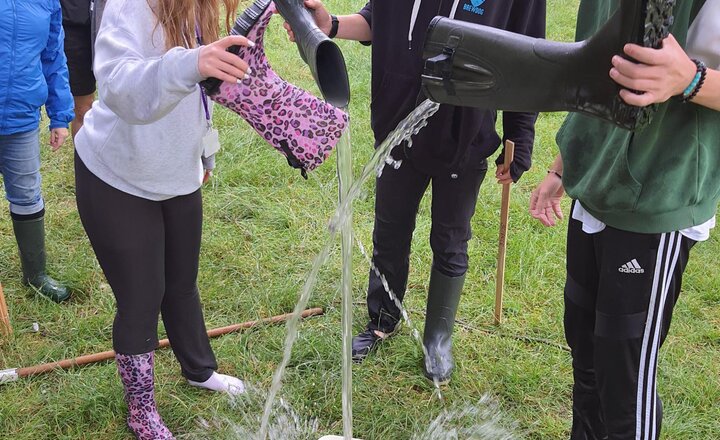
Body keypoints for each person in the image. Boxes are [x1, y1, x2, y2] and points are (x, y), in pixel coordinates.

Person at [284, 0, 546, 383]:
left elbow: (525, 57)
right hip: (396, 126)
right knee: (390, 229)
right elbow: (379, 20)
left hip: (464, 135)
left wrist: (519, 136)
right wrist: (333, 24)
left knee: (451, 238)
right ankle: (381, 319)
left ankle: (438, 338)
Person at [530, 0, 720, 438]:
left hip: (657, 197)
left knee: (624, 376)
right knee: (585, 347)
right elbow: (600, 69)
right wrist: (563, 164)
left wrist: (691, 79)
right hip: (595, 184)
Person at [73, 0, 254, 437]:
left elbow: (199, 92)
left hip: (176, 172)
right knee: (141, 298)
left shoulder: (195, 7)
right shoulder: (130, 5)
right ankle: (141, 411)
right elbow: (117, 85)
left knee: (181, 282)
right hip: (116, 175)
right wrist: (190, 62)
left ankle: (199, 370)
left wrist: (203, 148)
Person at [0, 0, 74, 303]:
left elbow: (53, 58)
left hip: (21, 119)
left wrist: (60, 115)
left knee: (27, 195)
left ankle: (35, 275)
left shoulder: (46, 3)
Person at [60, 0, 95, 139]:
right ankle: (83, 159)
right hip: (75, 25)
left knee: (121, 105)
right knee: (83, 110)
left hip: (116, 20)